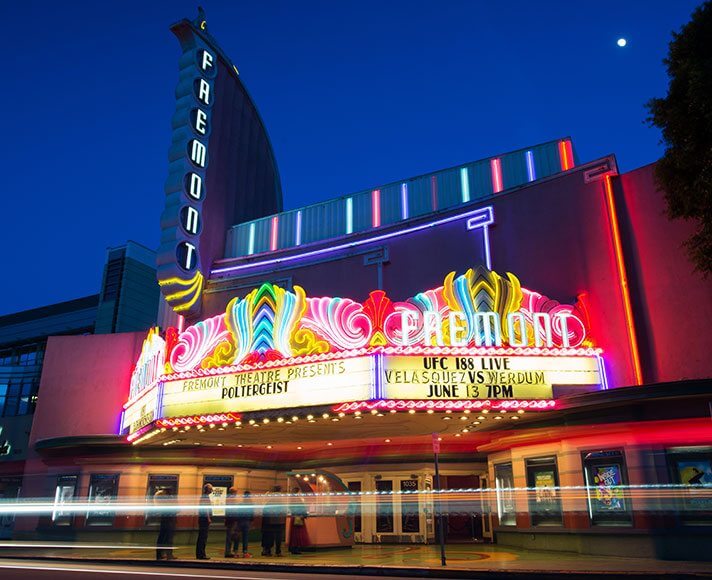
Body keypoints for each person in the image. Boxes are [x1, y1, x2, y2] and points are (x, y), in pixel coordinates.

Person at [261, 486, 286, 556]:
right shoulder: (282, 499)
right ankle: (278, 551)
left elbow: (265, 510)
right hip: (279, 521)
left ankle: (268, 551)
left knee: (270, 537)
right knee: (278, 537)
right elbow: (284, 510)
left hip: (270, 521)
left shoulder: (269, 499)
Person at [155, 488, 177, 561]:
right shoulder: (167, 500)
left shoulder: (161, 500)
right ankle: (168, 555)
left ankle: (160, 555)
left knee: (163, 538)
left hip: (165, 520)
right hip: (168, 520)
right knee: (168, 538)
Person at [288, 487, 309, 555]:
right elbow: (302, 507)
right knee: (298, 533)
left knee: (294, 534)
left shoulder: (291, 499)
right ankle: (296, 547)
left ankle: (293, 547)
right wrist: (304, 514)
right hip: (298, 518)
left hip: (294, 517)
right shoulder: (298, 499)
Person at [196, 483, 213, 560]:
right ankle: (201, 554)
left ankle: (200, 554)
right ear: (207, 489)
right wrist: (208, 518)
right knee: (203, 537)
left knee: (202, 537)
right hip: (204, 520)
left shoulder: (204, 496)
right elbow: (205, 508)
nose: (211, 490)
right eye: (210, 489)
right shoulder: (205, 497)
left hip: (202, 519)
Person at [236, 490, 254, 558]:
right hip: (247, 522)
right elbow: (252, 515)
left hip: (240, 522)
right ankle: (245, 552)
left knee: (237, 537)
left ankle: (235, 552)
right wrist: (251, 523)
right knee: (245, 538)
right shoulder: (250, 504)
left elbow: (238, 513)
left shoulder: (240, 504)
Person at [224, 487, 239, 557]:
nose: (236, 494)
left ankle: (229, 551)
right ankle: (228, 552)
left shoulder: (228, 499)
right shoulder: (231, 499)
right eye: (235, 492)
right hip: (231, 520)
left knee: (230, 536)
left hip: (229, 520)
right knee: (230, 536)